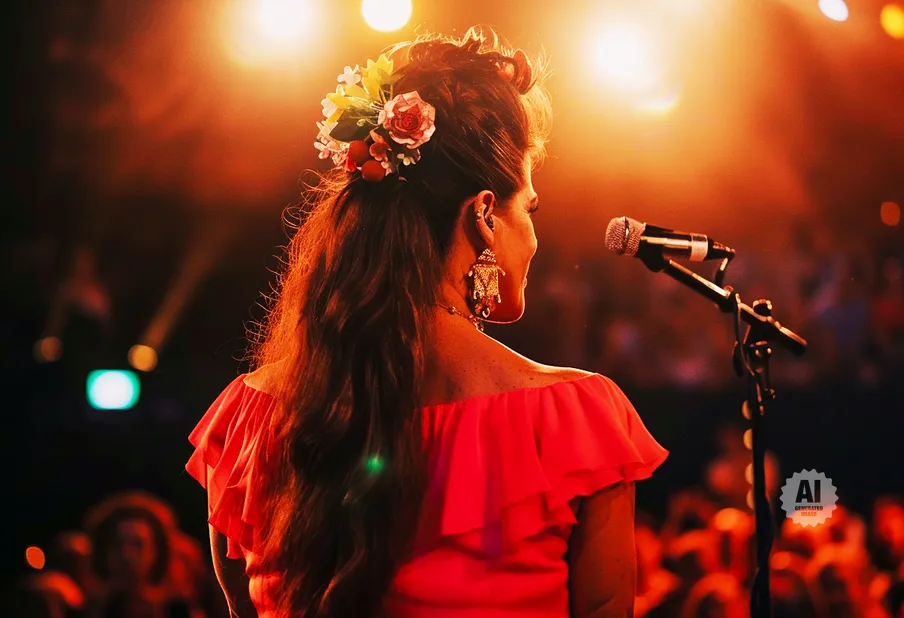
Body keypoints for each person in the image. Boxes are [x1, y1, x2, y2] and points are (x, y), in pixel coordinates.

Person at [186, 28, 668, 618]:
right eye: (530, 208)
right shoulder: (577, 423)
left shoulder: (246, 420)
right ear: (486, 214)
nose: (536, 235)